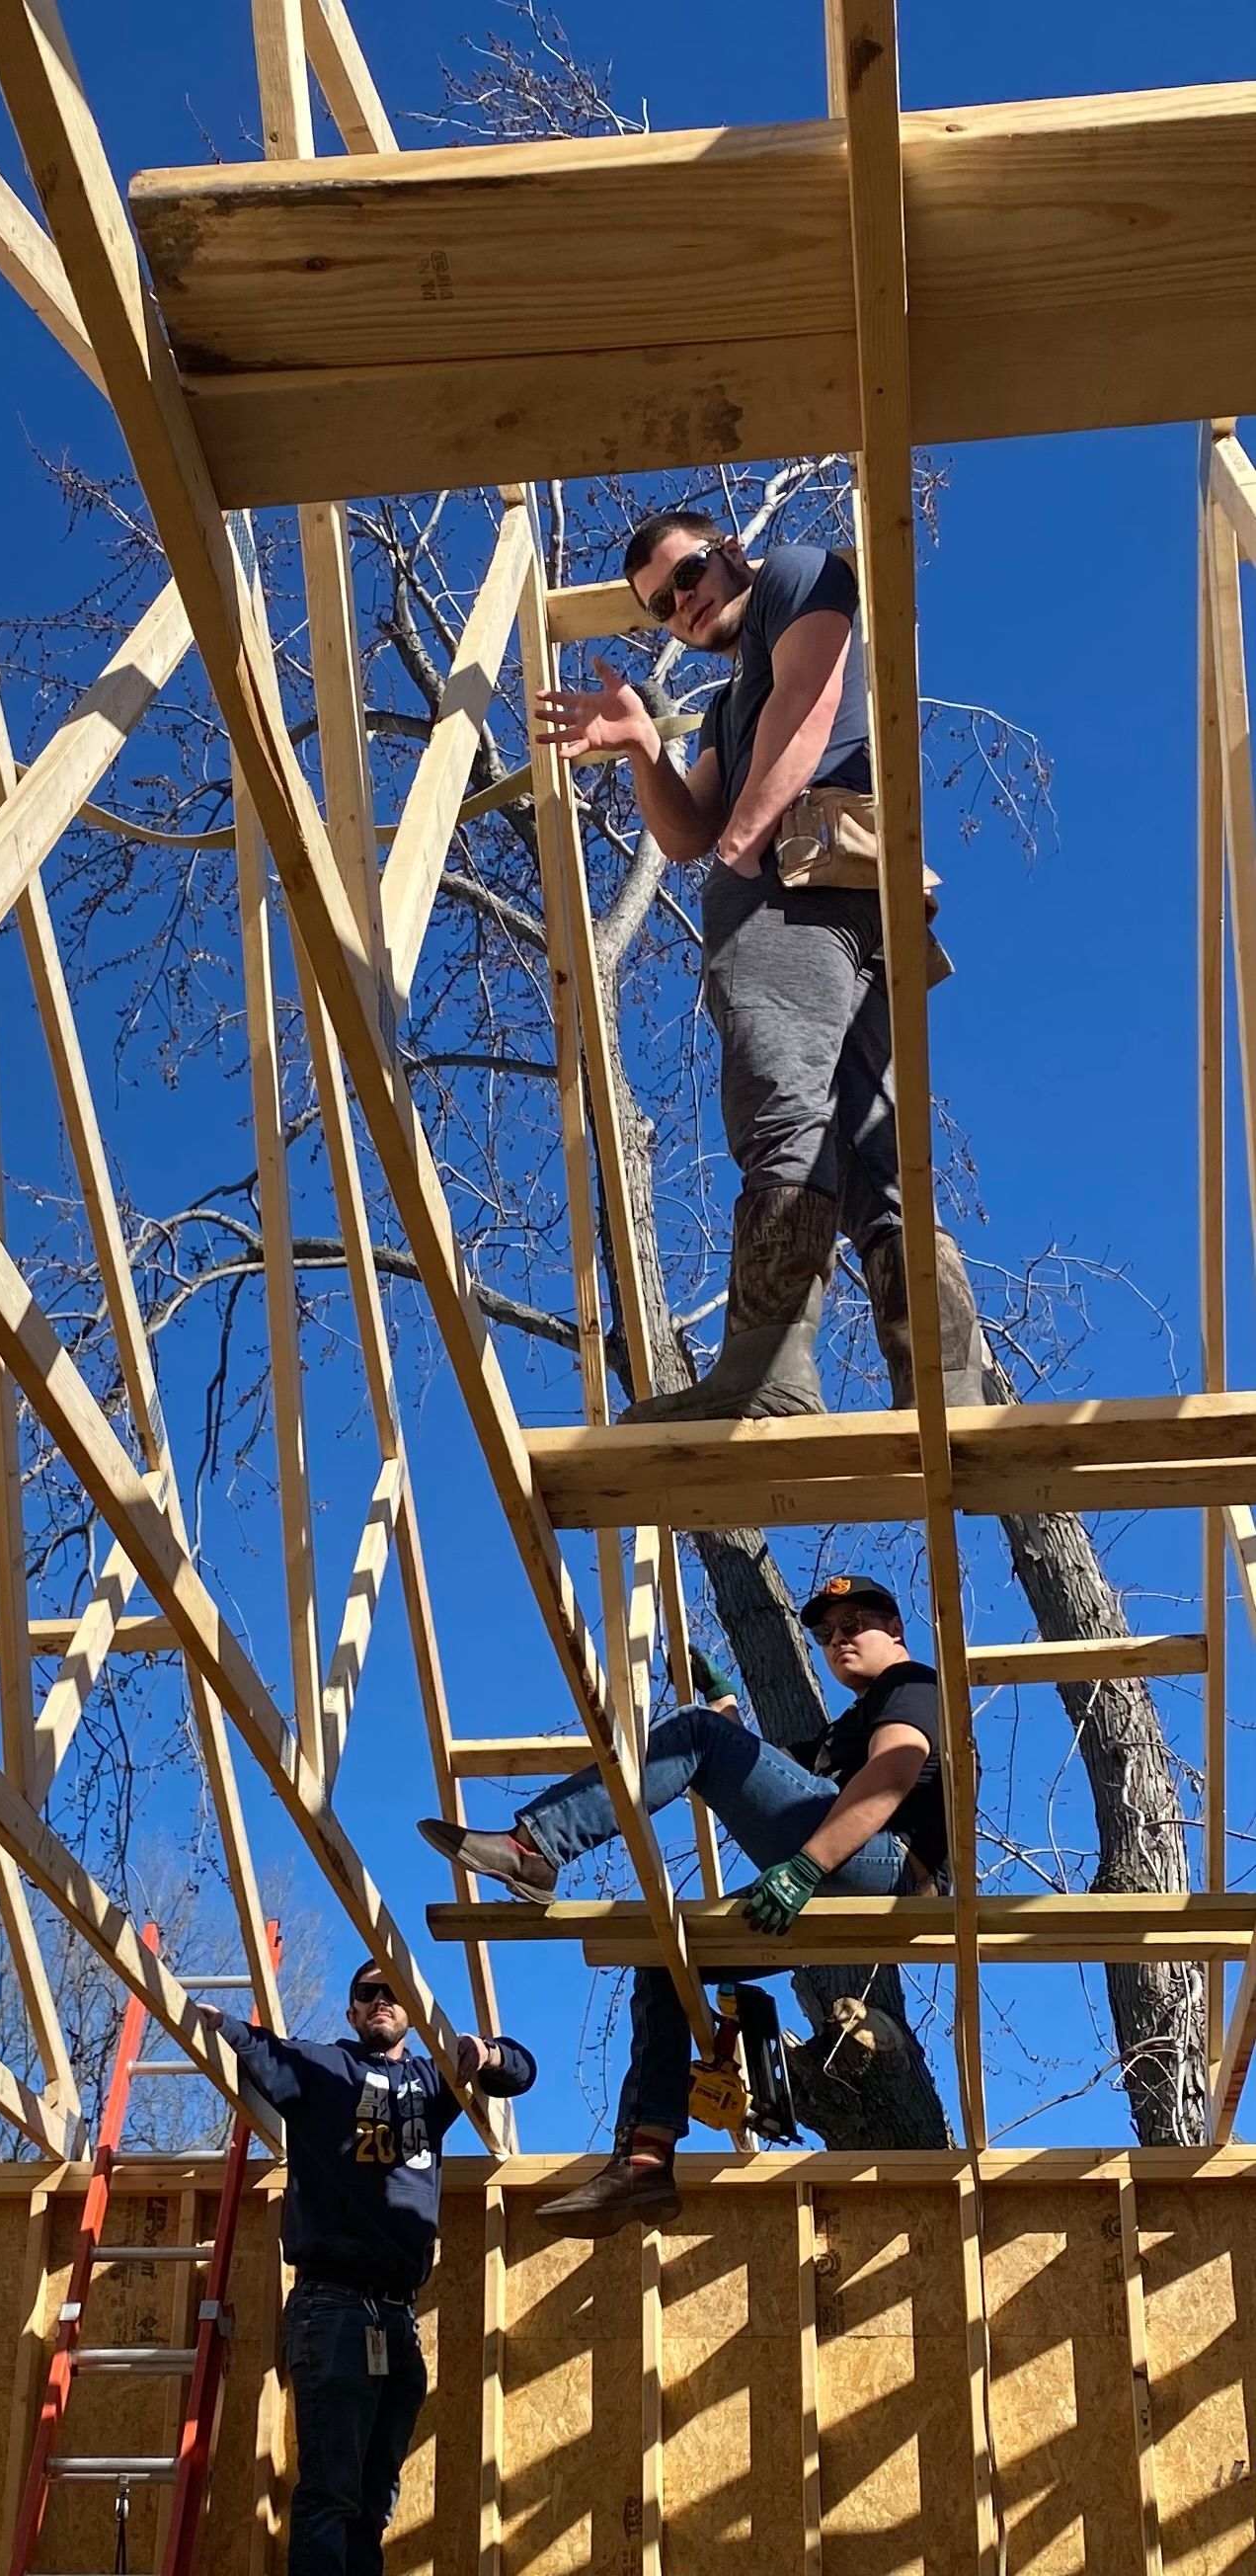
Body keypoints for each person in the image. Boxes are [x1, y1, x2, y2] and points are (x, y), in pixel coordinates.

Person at [533, 511, 984, 1421]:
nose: (684, 601)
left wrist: (749, 845)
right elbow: (685, 830)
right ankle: (947, 1388)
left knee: (777, 1097)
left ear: (731, 550)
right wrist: (641, 748)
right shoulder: (719, 707)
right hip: (860, 897)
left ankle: (766, 1370)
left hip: (802, 875)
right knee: (876, 1156)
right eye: (662, 604)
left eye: (690, 572)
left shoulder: (795, 571)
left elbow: (811, 699)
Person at [418, 1576, 945, 2233]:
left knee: (694, 1734)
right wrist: (724, 1704)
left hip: (882, 1866)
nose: (838, 1641)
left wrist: (806, 1866)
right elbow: (760, 1776)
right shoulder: (848, 1728)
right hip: (837, 1871)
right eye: (826, 1634)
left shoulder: (913, 1686)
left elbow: (893, 1771)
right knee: (666, 1962)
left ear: (894, 1629)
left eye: (855, 1625)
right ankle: (645, 2160)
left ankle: (536, 1845)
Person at [198, 1967, 535, 2576]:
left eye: (394, 1992)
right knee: (332, 2490)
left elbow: (522, 2069)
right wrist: (207, 2017)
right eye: (366, 1993)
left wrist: (481, 2052)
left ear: (414, 2011)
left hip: (397, 2317)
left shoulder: (434, 2079)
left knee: (374, 2500)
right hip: (333, 2306)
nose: (381, 2000)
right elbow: (243, 2042)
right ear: (351, 2012)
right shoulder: (322, 2070)